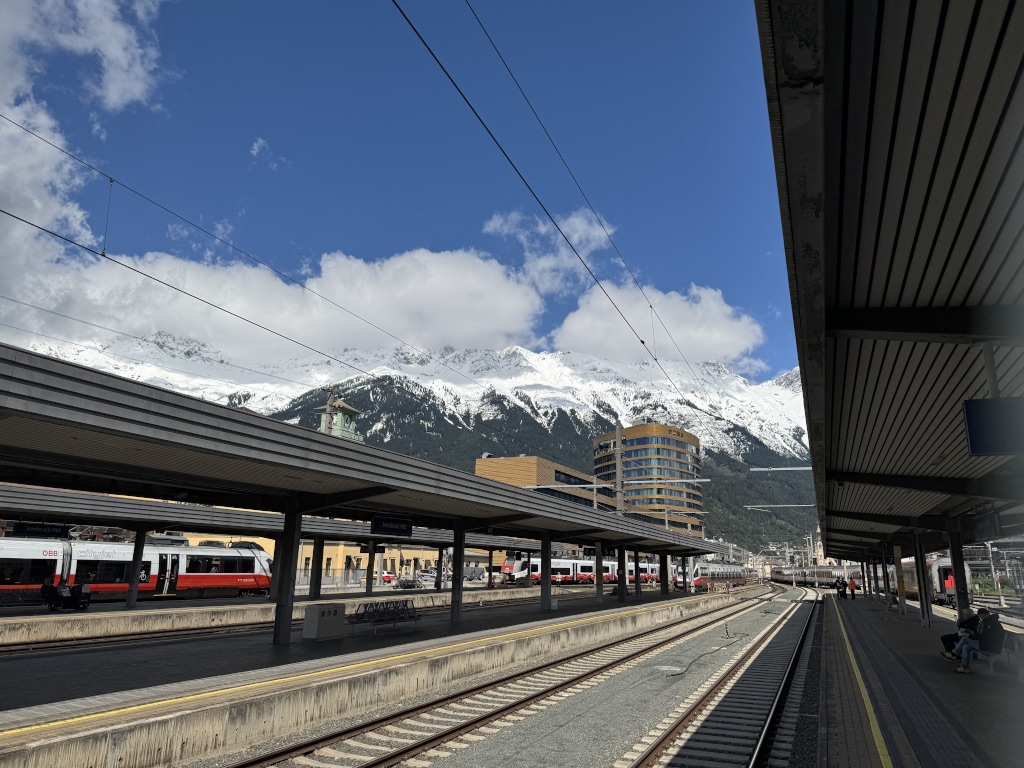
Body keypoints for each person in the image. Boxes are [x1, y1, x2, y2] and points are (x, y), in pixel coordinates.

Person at [945, 608, 989, 673]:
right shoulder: (984, 622)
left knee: (965, 639)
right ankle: (965, 667)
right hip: (982, 642)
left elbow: (984, 636)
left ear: (983, 615)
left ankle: (954, 654)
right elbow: (980, 634)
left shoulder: (989, 624)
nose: (979, 617)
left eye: (979, 615)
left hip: (986, 644)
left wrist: (972, 635)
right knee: (966, 646)